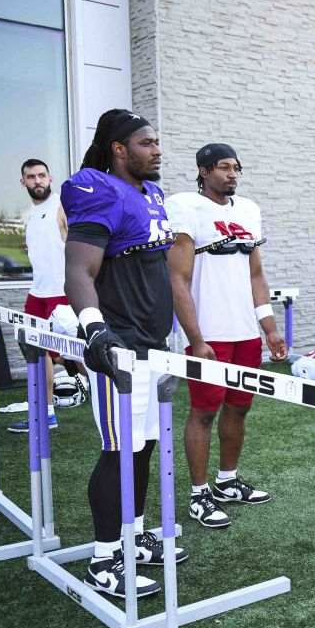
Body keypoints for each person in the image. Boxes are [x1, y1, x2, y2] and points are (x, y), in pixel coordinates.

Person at [63, 108, 189, 598]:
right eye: (146, 143)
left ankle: (133, 538)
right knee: (118, 452)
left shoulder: (151, 193)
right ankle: (102, 558)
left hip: (153, 345)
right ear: (119, 148)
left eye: (157, 142)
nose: (157, 150)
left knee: (144, 447)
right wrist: (95, 330)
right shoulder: (95, 187)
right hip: (120, 345)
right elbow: (79, 269)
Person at [165, 143, 289, 529]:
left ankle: (226, 482)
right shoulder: (186, 206)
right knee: (203, 411)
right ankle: (198, 494)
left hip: (244, 330)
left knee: (240, 407)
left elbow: (255, 275)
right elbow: (178, 278)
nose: (232, 174)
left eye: (236, 168)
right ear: (204, 171)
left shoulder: (249, 210)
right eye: (223, 168)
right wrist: (195, 338)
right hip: (208, 332)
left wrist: (268, 327)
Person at [9, 159, 70, 433]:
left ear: (50, 178)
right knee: (36, 351)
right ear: (23, 182)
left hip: (62, 293)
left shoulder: (61, 206)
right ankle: (46, 415)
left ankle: (101, 388)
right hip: (37, 294)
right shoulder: (32, 213)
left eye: (42, 175)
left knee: (76, 354)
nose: (38, 181)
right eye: (31, 177)